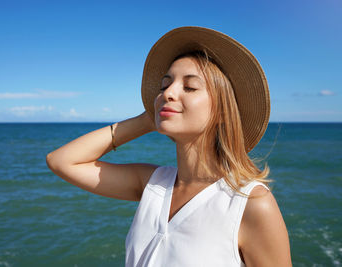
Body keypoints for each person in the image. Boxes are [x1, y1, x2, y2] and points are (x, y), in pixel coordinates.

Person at [46, 26, 292, 266]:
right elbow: (61, 161)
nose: (168, 93)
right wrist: (147, 120)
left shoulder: (249, 203)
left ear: (222, 112)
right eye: (164, 86)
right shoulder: (152, 183)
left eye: (189, 87)